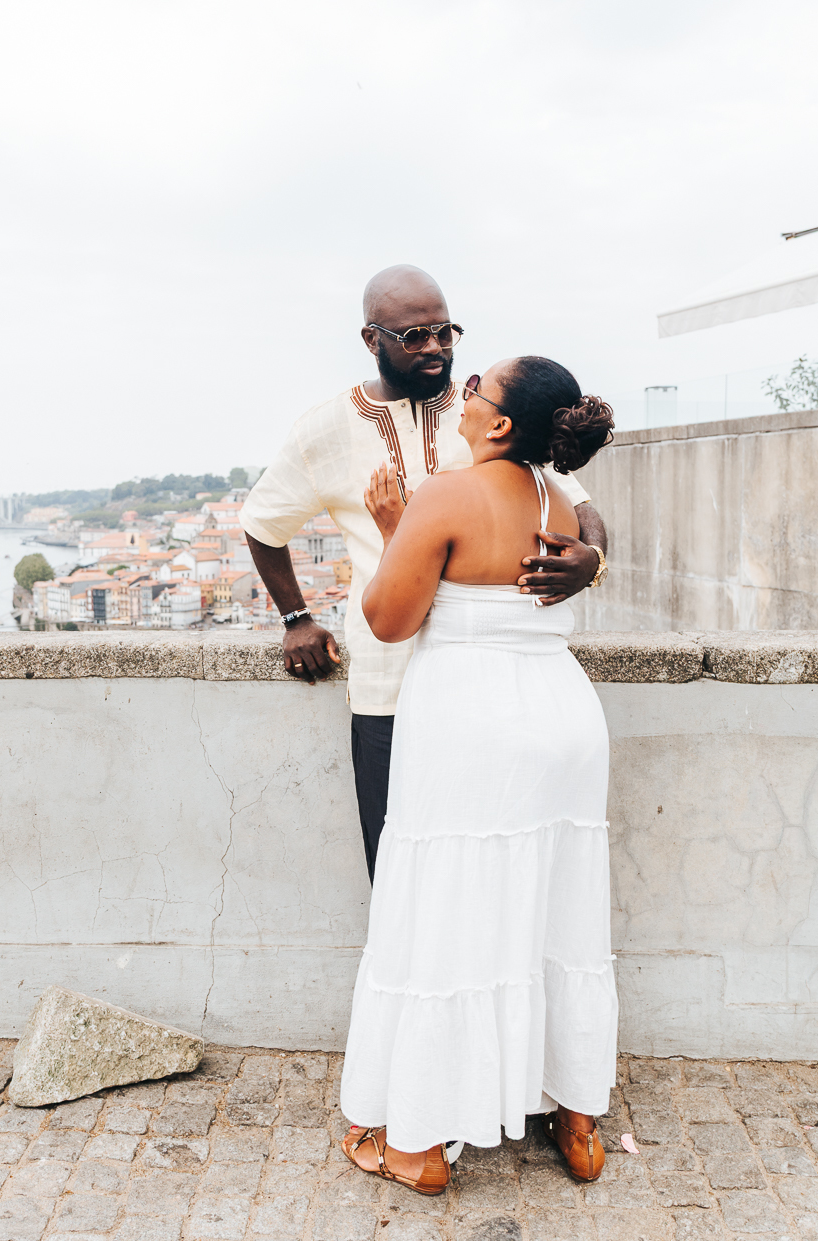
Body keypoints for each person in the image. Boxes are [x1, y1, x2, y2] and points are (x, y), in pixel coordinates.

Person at [338, 356, 617, 1194]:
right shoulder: (558, 501)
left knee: (449, 910)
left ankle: (420, 1145)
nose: (463, 396)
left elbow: (390, 621)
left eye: (477, 390)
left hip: (472, 723)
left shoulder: (446, 497)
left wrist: (395, 529)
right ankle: (574, 1115)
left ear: (497, 425)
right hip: (564, 718)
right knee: (555, 908)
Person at [240, 267, 609, 882]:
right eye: (414, 336)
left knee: (491, 865)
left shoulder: (487, 415)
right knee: (399, 872)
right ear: (371, 340)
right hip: (388, 688)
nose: (435, 348)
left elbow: (578, 505)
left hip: (490, 691)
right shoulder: (325, 429)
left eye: (444, 331)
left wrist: (591, 561)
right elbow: (262, 523)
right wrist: (296, 618)